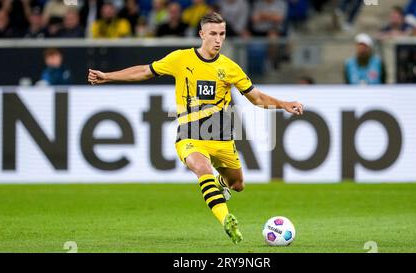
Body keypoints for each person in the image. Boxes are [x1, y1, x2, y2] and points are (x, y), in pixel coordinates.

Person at [88, 12, 304, 244]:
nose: (218, 39)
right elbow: (144, 70)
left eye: (222, 34)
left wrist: (284, 104)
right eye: (213, 34)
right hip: (190, 134)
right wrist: (108, 76)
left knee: (237, 184)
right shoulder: (181, 59)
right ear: (201, 34)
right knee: (202, 168)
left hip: (221, 137)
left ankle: (222, 186)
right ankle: (226, 221)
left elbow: (257, 99)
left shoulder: (230, 68)